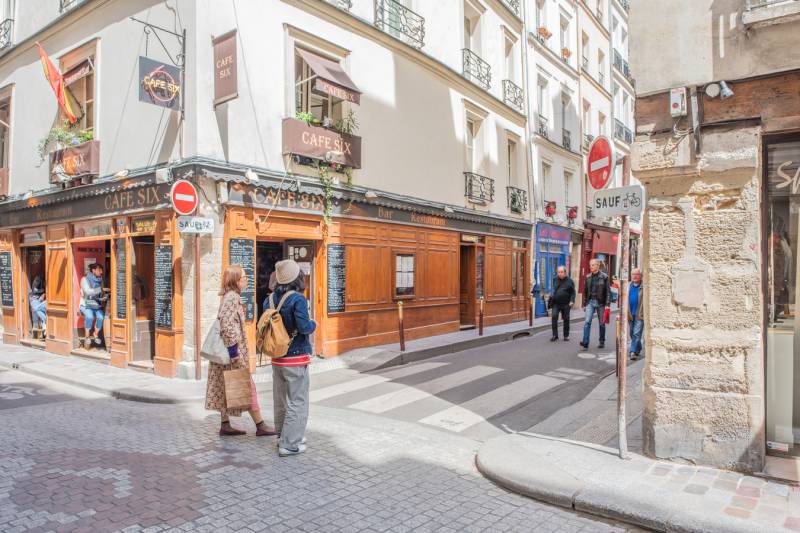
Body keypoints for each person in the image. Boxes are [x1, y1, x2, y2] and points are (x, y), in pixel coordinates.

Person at [205, 264, 277, 437]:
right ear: (236, 280)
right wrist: (233, 352)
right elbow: (226, 324)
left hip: (227, 354)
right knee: (247, 386)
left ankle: (225, 424)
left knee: (225, 386)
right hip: (232, 354)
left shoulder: (229, 296)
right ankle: (260, 425)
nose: (246, 280)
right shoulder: (232, 298)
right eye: (244, 277)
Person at [265, 259, 316, 457]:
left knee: (280, 399)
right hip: (295, 357)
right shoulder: (298, 299)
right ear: (297, 278)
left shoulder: (269, 299)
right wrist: (313, 324)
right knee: (297, 400)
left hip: (277, 356)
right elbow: (304, 327)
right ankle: (290, 443)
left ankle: (283, 436)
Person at [580, 258, 611, 350]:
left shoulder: (604, 277)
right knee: (587, 322)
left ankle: (602, 341)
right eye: (590, 265)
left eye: (593, 265)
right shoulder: (588, 277)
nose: (591, 267)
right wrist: (584, 304)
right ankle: (585, 343)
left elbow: (608, 292)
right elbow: (585, 291)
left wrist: (607, 304)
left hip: (601, 303)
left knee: (601, 323)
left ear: (598, 266)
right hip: (590, 302)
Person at [79, 263, 109, 347]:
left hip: (96, 304)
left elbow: (101, 293)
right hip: (86, 304)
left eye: (101, 270)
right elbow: (88, 292)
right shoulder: (84, 279)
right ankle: (87, 336)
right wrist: (101, 289)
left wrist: (104, 297)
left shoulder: (100, 279)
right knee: (89, 317)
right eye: (99, 270)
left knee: (101, 317)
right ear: (93, 270)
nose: (101, 272)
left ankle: (95, 334)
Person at [548, 266, 575, 342]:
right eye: (558, 272)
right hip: (556, 303)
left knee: (566, 319)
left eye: (561, 272)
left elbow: (573, 292)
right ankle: (555, 335)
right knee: (554, 317)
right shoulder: (555, 279)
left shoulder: (570, 281)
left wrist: (572, 301)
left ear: (565, 273)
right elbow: (554, 289)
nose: (560, 273)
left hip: (566, 303)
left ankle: (566, 335)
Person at [628, 268, 644, 360]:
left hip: (639, 314)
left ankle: (632, 351)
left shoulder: (643, 286)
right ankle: (639, 347)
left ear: (640, 276)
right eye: (633, 274)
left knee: (636, 333)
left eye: (637, 274)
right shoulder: (628, 286)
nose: (635, 276)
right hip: (630, 314)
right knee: (631, 333)